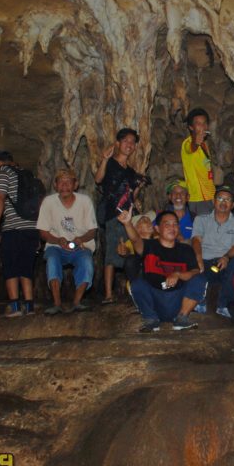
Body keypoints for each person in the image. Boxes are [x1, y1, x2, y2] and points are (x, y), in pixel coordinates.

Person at [116, 208, 205, 332]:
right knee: (137, 283)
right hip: (155, 299)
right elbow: (136, 240)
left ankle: (182, 318)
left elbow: (195, 271)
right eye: (167, 224)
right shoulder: (149, 246)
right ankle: (151, 319)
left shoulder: (186, 249)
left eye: (175, 224)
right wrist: (128, 224)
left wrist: (178, 274)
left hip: (178, 301)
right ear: (157, 228)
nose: (172, 228)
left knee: (199, 279)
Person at [95, 128, 146, 304]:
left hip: (128, 216)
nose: (129, 145)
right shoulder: (110, 163)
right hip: (113, 213)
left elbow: (132, 196)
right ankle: (108, 294)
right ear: (118, 143)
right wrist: (104, 159)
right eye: (126, 141)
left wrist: (138, 186)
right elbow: (98, 179)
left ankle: (134, 291)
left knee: (131, 250)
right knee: (112, 251)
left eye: (132, 142)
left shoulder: (131, 171)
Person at [37, 167, 97, 315]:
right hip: (56, 246)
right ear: (55, 185)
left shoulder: (85, 201)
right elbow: (43, 232)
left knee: (86, 262)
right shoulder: (48, 202)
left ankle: (77, 302)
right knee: (52, 260)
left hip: (81, 245)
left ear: (75, 185)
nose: (64, 186)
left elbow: (92, 230)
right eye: (61, 182)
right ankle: (57, 304)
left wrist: (80, 239)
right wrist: (58, 240)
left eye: (68, 182)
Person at [0, 150, 39, 317]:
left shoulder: (4, 172)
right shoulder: (28, 174)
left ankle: (16, 307)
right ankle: (29, 307)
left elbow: (0, 197)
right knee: (26, 267)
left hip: (13, 228)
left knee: (11, 267)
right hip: (32, 228)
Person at [191, 185, 234, 318]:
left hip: (224, 263)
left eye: (228, 199)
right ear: (213, 201)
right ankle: (199, 301)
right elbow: (196, 240)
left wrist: (226, 257)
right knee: (191, 259)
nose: (223, 202)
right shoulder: (201, 219)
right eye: (220, 198)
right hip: (205, 261)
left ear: (233, 205)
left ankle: (223, 305)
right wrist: (198, 257)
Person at [180, 108, 216, 215]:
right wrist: (196, 142)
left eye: (204, 123)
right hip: (198, 198)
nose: (202, 127)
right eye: (198, 124)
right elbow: (192, 147)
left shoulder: (204, 145)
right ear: (191, 127)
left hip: (210, 195)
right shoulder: (187, 143)